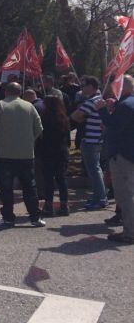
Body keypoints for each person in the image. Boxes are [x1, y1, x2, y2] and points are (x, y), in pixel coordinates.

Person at [0, 82, 46, 227]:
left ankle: (8, 217)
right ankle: (35, 217)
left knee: (6, 188)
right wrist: (30, 140)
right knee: (30, 187)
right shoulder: (29, 106)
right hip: (26, 154)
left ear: (6, 91)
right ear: (20, 92)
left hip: (5, 153)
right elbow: (39, 128)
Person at [96, 75, 134, 243]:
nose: (112, 88)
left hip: (123, 155)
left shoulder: (126, 105)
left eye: (115, 85)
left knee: (126, 195)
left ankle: (130, 232)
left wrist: (102, 110)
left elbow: (115, 125)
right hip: (126, 153)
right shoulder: (127, 103)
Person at [70, 76, 108, 209]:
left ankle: (100, 199)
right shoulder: (101, 100)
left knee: (94, 171)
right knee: (97, 170)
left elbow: (74, 116)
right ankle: (99, 197)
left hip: (91, 141)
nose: (81, 88)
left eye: (84, 85)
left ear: (92, 86)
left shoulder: (91, 101)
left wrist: (82, 117)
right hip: (98, 140)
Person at [36, 96, 71, 216]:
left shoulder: (44, 118)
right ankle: (64, 206)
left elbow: (40, 137)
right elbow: (67, 138)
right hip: (61, 151)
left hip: (47, 151)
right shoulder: (64, 118)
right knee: (61, 179)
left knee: (48, 180)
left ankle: (49, 206)